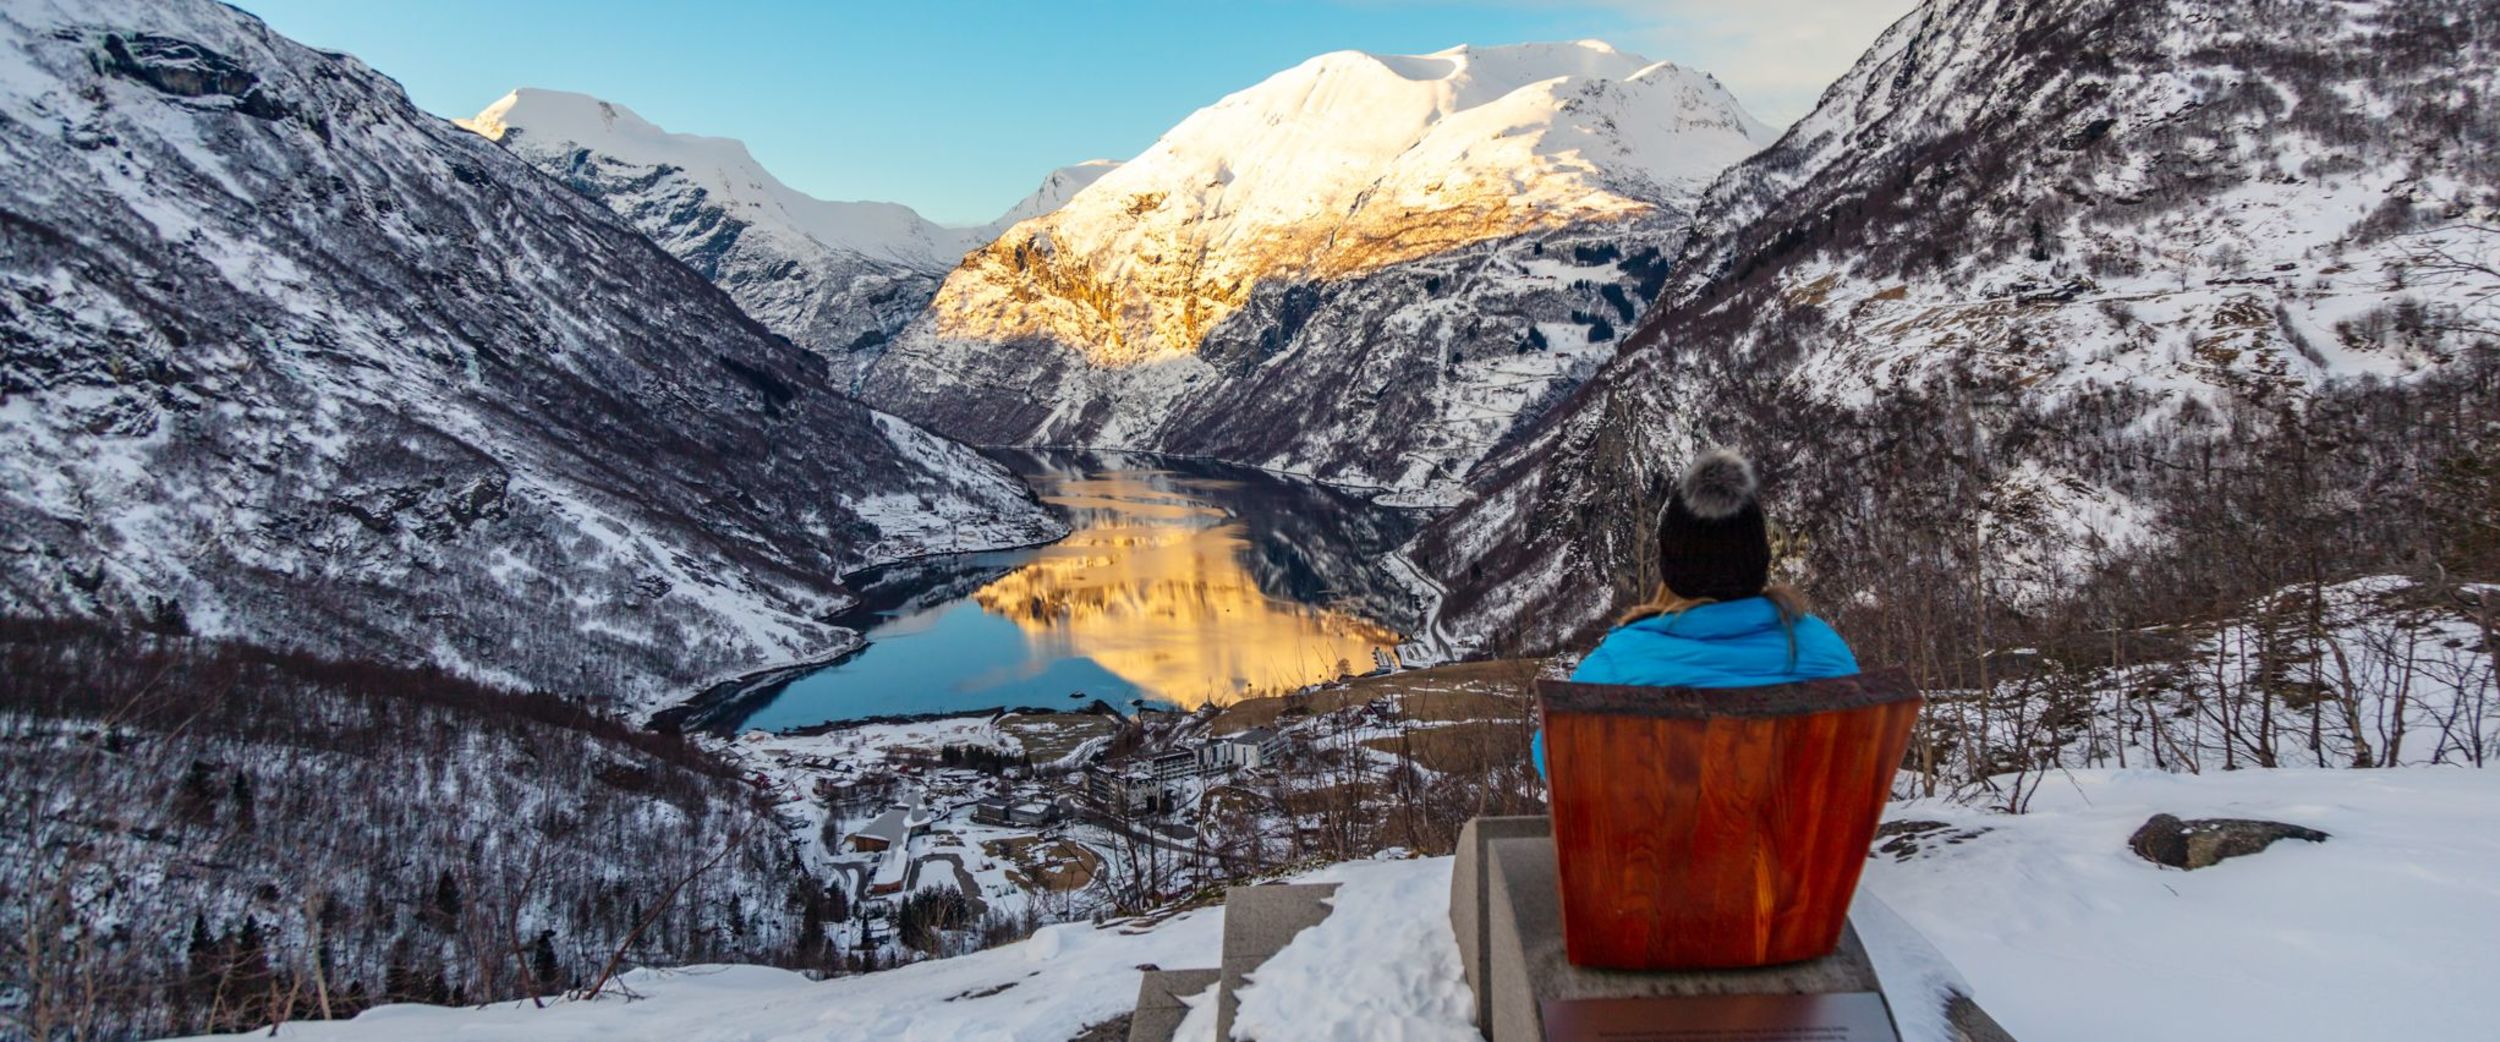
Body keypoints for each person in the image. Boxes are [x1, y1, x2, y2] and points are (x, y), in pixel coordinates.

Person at [1533, 447, 1860, 776]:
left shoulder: (1619, 664)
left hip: (1659, 828)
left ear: (1671, 567)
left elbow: (1550, 759)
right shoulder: (1823, 650)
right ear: (1759, 560)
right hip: (1798, 826)